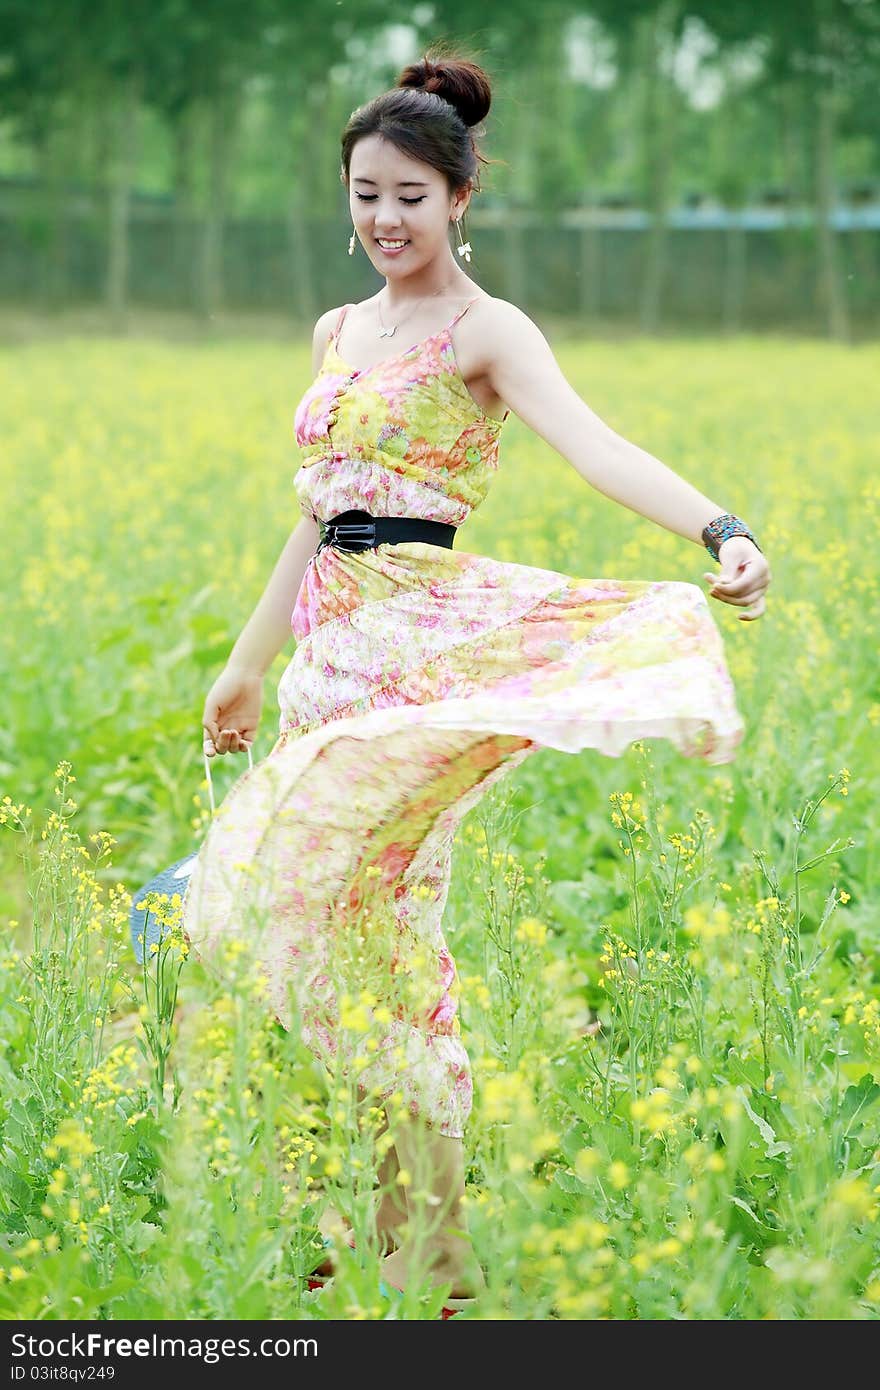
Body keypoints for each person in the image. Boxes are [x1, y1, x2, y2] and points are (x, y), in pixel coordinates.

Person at [182, 49, 771, 1310]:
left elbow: (594, 443)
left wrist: (719, 528)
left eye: (408, 195)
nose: (383, 219)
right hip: (324, 671)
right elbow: (318, 512)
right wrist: (248, 660)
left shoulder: (486, 331)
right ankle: (357, 1223)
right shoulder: (337, 330)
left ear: (460, 197)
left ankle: (434, 1254)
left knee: (368, 931)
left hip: (418, 662)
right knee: (303, 936)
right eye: (362, 194)